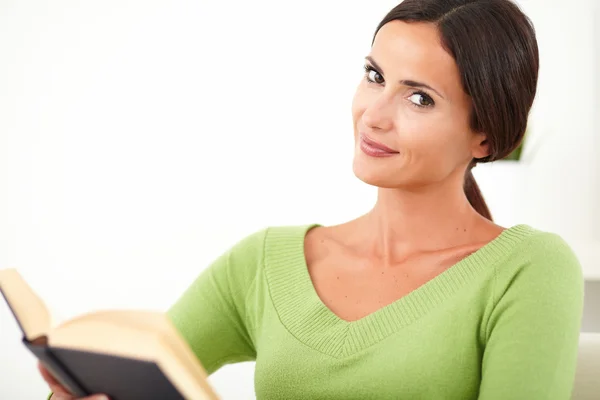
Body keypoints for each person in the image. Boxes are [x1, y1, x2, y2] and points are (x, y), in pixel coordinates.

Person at [40, 0, 585, 399]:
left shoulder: (528, 269)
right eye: (375, 76)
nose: (374, 114)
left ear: (485, 137)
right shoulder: (265, 264)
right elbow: (137, 376)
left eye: (419, 97)